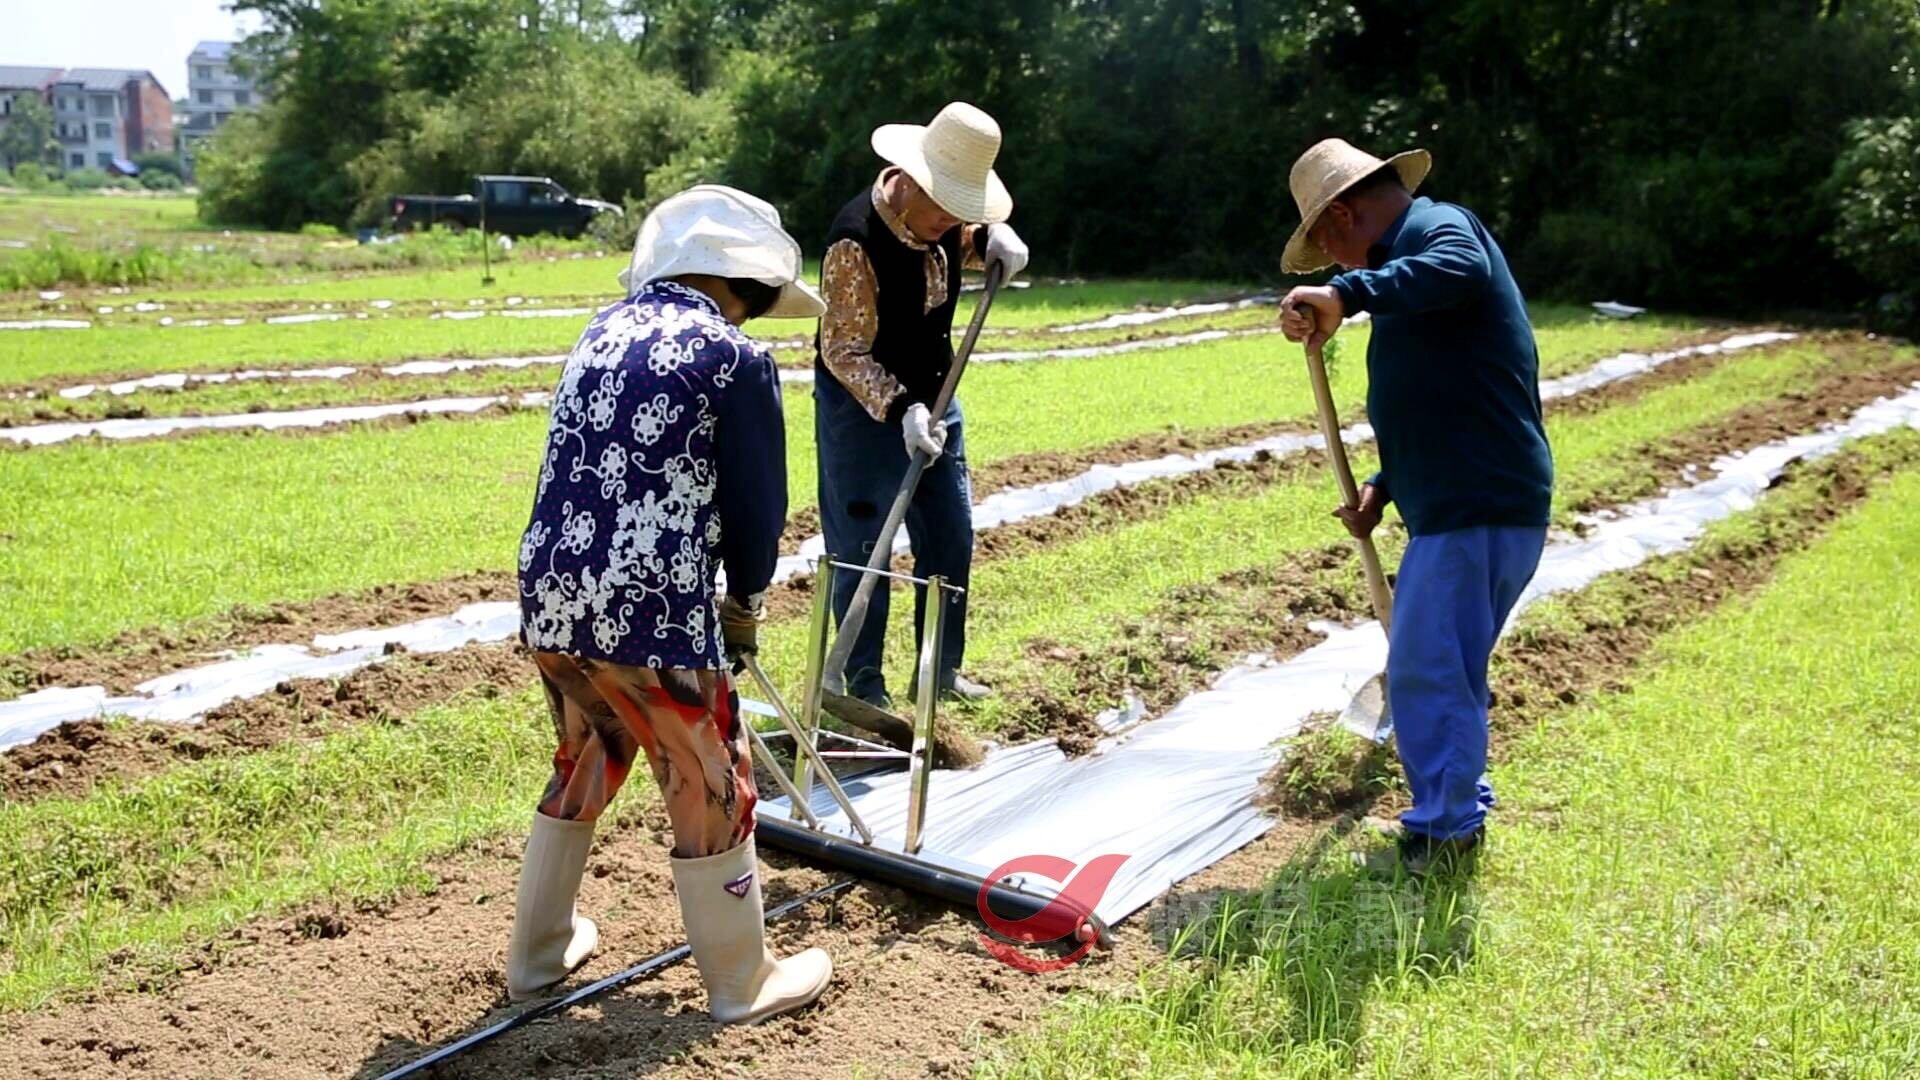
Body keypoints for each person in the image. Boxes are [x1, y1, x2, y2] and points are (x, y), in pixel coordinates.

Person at [508, 185, 833, 1024]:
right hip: (650, 606)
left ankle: (536, 958)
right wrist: (747, 600)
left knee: (587, 749)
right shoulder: (733, 357)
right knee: (707, 772)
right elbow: (755, 506)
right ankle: (740, 980)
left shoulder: (599, 332)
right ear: (746, 285)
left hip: (553, 591)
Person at [1278, 139, 1555, 875]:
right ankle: (1459, 803)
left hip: (1479, 504)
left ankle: (1445, 832)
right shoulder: (1406, 274)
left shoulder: (1439, 231)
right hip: (1464, 501)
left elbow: (1457, 270)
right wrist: (1385, 482)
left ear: (1345, 211)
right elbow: (1440, 393)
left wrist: (1349, 296)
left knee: (1429, 668)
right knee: (1447, 665)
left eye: (1328, 243)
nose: (1336, 263)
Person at [814, 101, 1030, 709]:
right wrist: (902, 408)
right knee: (862, 550)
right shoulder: (854, 241)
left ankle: (939, 673)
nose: (952, 220)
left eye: (966, 211)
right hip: (862, 411)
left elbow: (962, 243)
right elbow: (844, 349)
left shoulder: (946, 222)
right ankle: (862, 687)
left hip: (938, 398)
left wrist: (993, 239)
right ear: (907, 179)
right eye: (945, 205)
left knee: (949, 538)